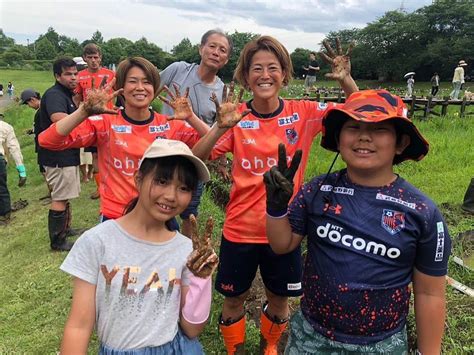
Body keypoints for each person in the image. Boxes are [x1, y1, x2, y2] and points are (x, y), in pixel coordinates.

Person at [191, 36, 358, 354]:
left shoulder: (304, 112)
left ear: (284, 73)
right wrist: (219, 127)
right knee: (234, 298)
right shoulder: (236, 116)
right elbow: (199, 156)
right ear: (245, 75)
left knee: (280, 298)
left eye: (272, 67)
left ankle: (270, 347)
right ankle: (235, 350)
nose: (264, 75)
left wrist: (346, 79)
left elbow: (359, 111)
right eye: (257, 68)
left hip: (287, 230)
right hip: (240, 229)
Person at [265, 89, 451, 354]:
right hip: (311, 337)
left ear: (400, 143)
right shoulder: (318, 190)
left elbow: (430, 294)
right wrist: (275, 207)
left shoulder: (422, 212)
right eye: (353, 127)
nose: (364, 136)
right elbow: (282, 244)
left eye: (379, 128)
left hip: (382, 344)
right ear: (338, 139)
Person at [59, 138, 218, 354]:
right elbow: (79, 326)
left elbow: (192, 329)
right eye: (161, 181)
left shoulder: (185, 249)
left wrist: (201, 280)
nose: (171, 196)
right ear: (138, 179)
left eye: (183, 188)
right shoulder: (97, 242)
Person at [39, 57, 210, 227]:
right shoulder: (105, 123)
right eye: (133, 81)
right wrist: (83, 111)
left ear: (154, 87)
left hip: (160, 217)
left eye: (147, 82)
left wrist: (191, 117)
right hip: (116, 218)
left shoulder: (169, 125)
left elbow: (217, 147)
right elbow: (47, 141)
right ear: (121, 87)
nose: (140, 88)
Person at [160, 29, 233, 236]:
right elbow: (149, 92)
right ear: (201, 49)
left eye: (222, 50)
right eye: (212, 46)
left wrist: (221, 162)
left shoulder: (222, 91)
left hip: (193, 158)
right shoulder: (177, 70)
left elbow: (218, 134)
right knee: (155, 206)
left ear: (226, 59)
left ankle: (185, 254)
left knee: (189, 212)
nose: (216, 52)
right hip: (162, 154)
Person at [36, 57, 83, 251]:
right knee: (60, 197)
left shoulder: (65, 94)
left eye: (75, 73)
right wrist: (85, 116)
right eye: (68, 74)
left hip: (65, 154)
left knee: (65, 195)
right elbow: (58, 119)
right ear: (57, 75)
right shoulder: (55, 95)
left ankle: (66, 229)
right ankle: (57, 241)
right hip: (57, 157)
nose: (73, 78)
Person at [76, 43, 116, 199]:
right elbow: (77, 98)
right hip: (91, 121)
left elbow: (121, 93)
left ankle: (114, 183)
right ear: (85, 58)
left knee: (113, 152)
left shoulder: (111, 74)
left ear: (101, 58)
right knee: (95, 156)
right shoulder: (80, 76)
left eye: (96, 57)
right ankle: (100, 188)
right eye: (90, 57)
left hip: (110, 119)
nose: (93, 60)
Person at [20, 89, 52, 201]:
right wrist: (33, 131)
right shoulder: (43, 109)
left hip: (44, 145)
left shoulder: (42, 111)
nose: (28, 106)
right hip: (42, 144)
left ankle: (53, 193)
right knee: (44, 169)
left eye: (27, 103)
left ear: (33, 100)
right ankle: (51, 191)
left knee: (46, 170)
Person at [0, 113, 27, 225]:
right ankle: (5, 216)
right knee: (1, 188)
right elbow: (14, 149)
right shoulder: (5, 127)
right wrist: (22, 171)